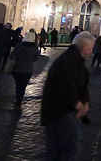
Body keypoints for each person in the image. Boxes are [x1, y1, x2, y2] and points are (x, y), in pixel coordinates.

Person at [41, 31, 96, 160]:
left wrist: (86, 102)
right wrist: (78, 105)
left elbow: (80, 85)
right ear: (84, 47)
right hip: (63, 114)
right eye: (91, 48)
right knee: (69, 152)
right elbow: (67, 86)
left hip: (56, 113)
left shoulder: (71, 59)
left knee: (55, 153)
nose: (91, 52)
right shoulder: (71, 61)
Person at [9, 30, 39, 112]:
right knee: (23, 87)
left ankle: (17, 101)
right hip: (28, 70)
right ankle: (18, 102)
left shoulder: (19, 46)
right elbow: (35, 59)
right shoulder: (35, 47)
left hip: (17, 69)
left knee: (18, 86)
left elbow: (12, 56)